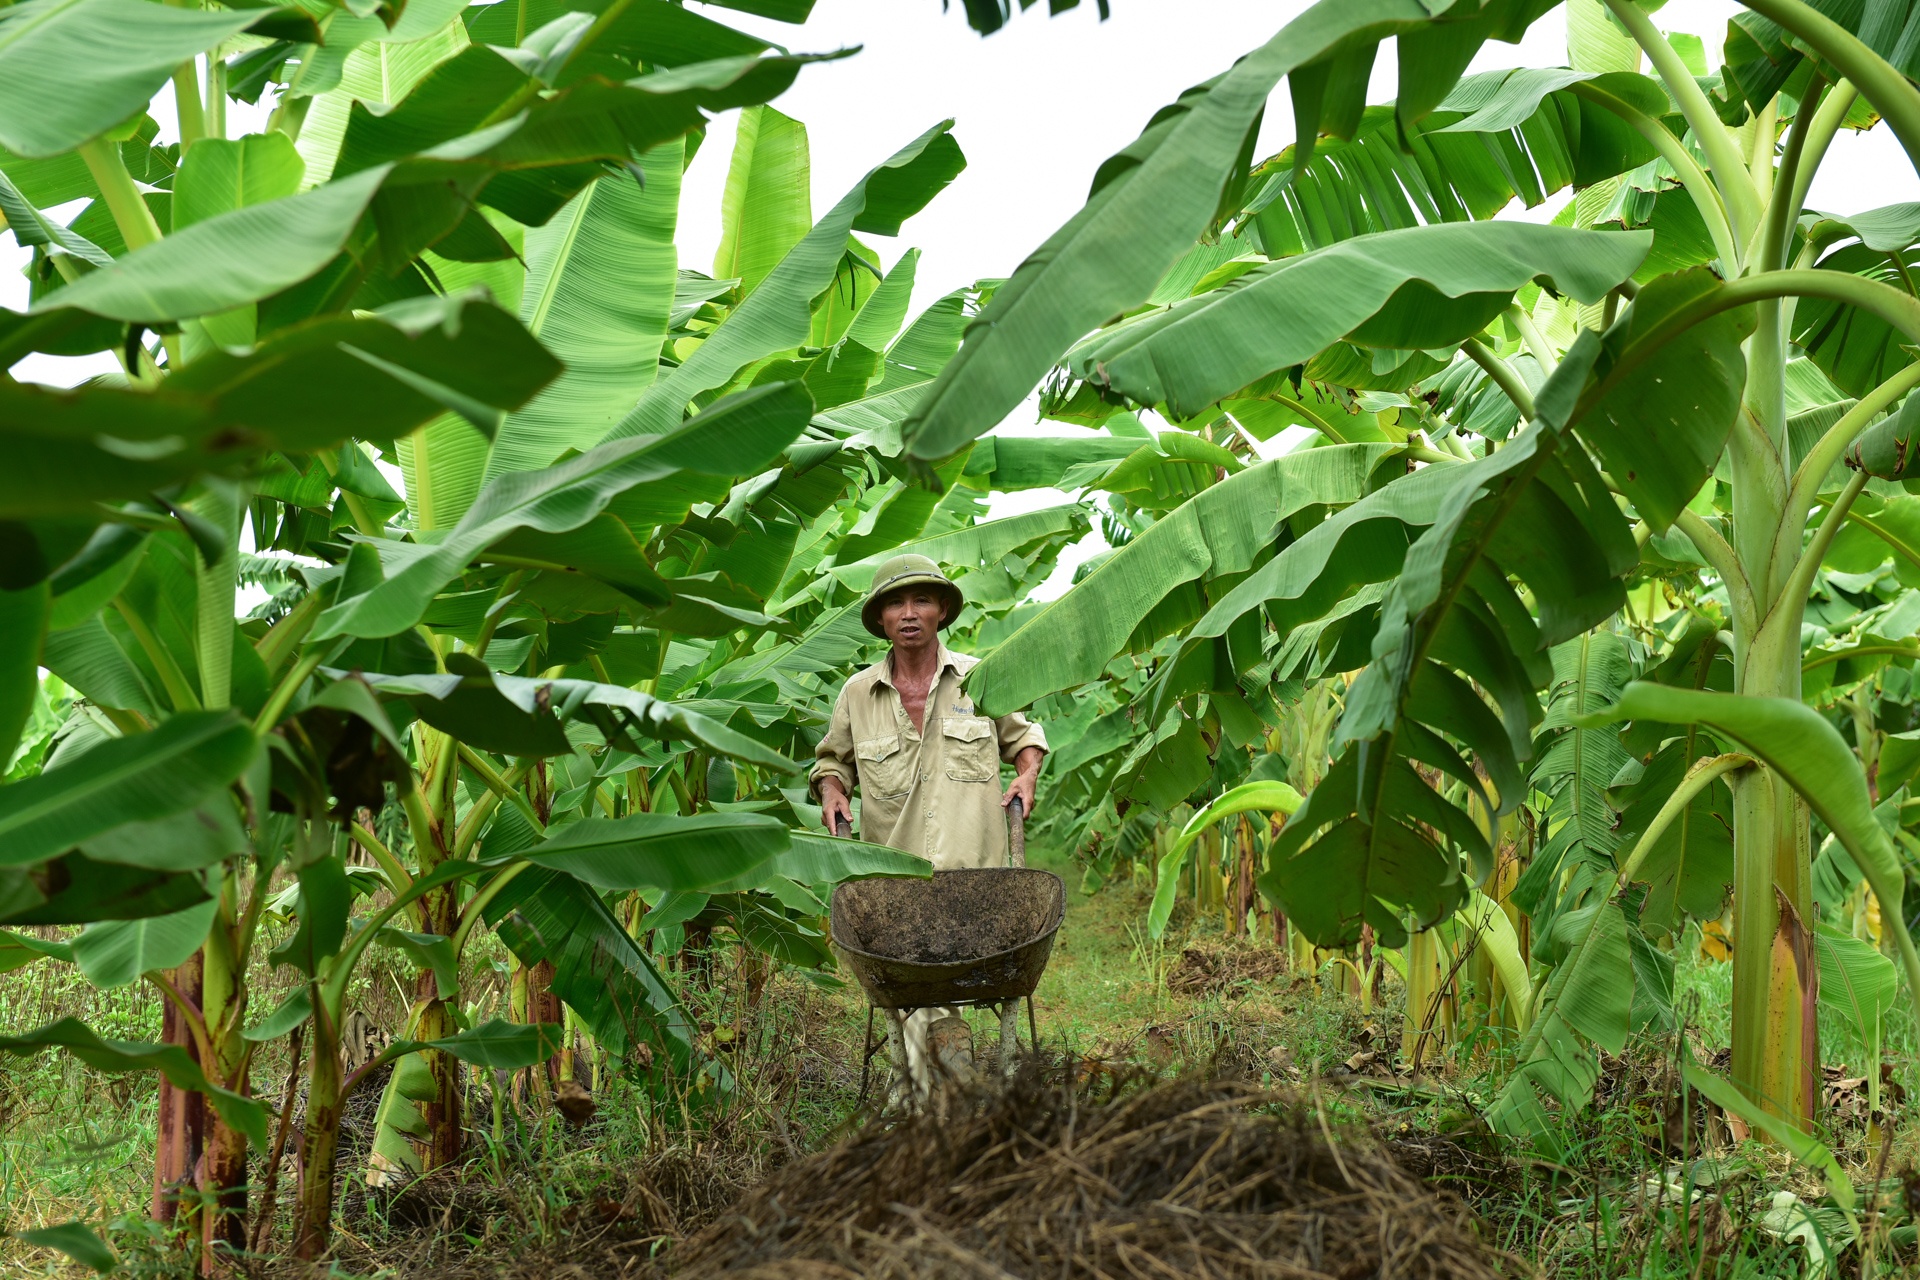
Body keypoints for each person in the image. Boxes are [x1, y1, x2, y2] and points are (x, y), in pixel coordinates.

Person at [811, 553, 1047, 1095]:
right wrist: (831, 791)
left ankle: (929, 1089)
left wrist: (1026, 777)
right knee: (917, 976)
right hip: (896, 892)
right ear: (882, 619)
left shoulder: (978, 678)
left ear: (941, 609)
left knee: (931, 985)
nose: (909, 612)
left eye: (921, 599)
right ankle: (949, 1079)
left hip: (977, 884)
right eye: (895, 602)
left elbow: (1026, 739)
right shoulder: (857, 694)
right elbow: (832, 762)